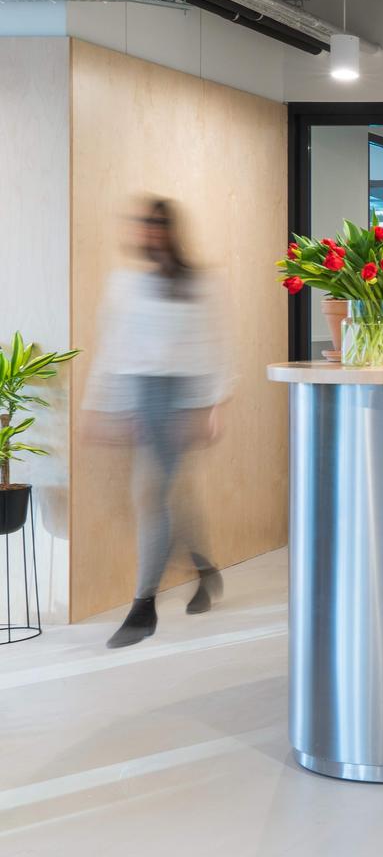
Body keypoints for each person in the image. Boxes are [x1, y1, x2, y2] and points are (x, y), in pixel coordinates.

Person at [84, 198, 231, 649]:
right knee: (166, 495)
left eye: (159, 224)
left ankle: (142, 606)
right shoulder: (127, 284)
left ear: (172, 230)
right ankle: (204, 568)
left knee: (151, 493)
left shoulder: (198, 283)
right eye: (146, 224)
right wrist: (99, 407)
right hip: (140, 394)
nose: (151, 232)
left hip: (181, 396)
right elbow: (113, 347)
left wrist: (212, 406)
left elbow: (216, 346)